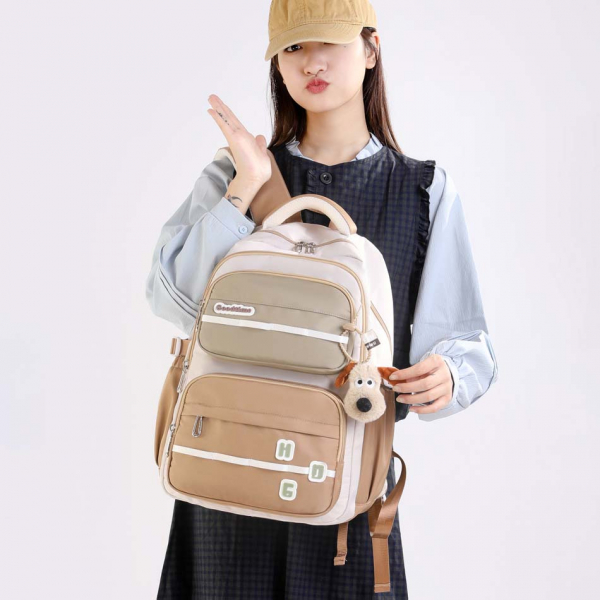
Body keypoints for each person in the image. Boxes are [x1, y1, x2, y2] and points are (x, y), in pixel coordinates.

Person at [145, 0, 499, 597]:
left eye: (328, 42)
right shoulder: (236, 172)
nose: (311, 61)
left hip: (347, 490)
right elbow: (172, 301)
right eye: (293, 48)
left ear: (370, 49)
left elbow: (466, 342)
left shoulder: (423, 191)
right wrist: (245, 187)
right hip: (229, 482)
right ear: (277, 66)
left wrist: (447, 374)